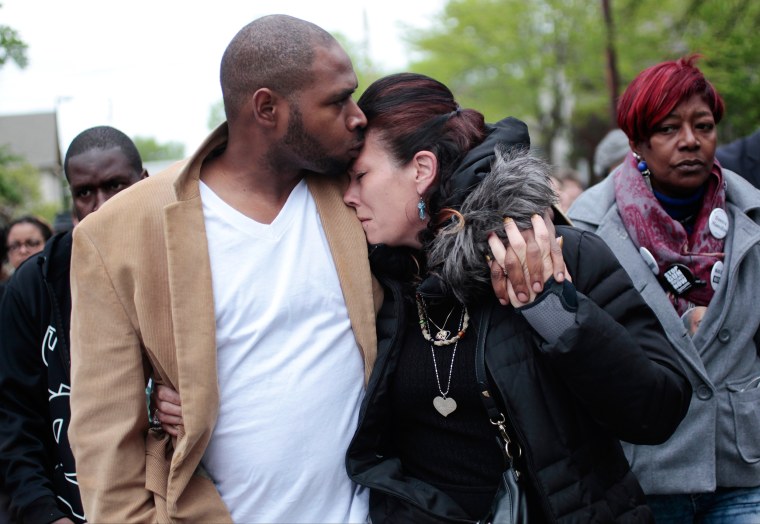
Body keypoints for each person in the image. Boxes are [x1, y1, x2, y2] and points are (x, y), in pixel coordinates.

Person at [67, 15, 377, 523]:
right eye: (336, 101)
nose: (358, 115)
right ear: (267, 108)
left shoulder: (356, 193)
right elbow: (106, 446)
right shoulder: (119, 234)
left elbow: (460, 156)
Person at [341, 72, 691, 522]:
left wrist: (552, 311)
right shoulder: (380, 281)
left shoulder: (562, 252)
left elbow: (657, 411)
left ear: (421, 170)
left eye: (361, 177)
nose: (348, 197)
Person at [568, 55, 760, 522]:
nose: (690, 141)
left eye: (703, 125)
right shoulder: (587, 230)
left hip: (740, 464)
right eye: (669, 129)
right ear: (637, 141)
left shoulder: (750, 218)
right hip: (644, 468)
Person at [0, 125, 148, 524]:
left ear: (145, 183)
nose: (101, 206)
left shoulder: (180, 266)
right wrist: (44, 513)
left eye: (116, 186)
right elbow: (13, 418)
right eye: (85, 193)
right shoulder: (33, 287)